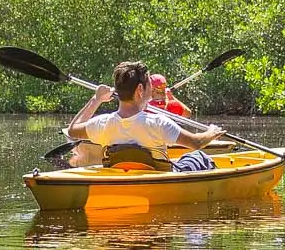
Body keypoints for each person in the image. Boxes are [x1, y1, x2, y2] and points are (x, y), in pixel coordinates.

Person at [66, 60, 223, 172]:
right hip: (161, 176)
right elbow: (196, 143)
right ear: (140, 89)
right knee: (198, 156)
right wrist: (212, 132)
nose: (152, 88)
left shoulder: (102, 123)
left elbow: (72, 131)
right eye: (150, 84)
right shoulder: (158, 122)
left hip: (121, 173)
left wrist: (96, 99)